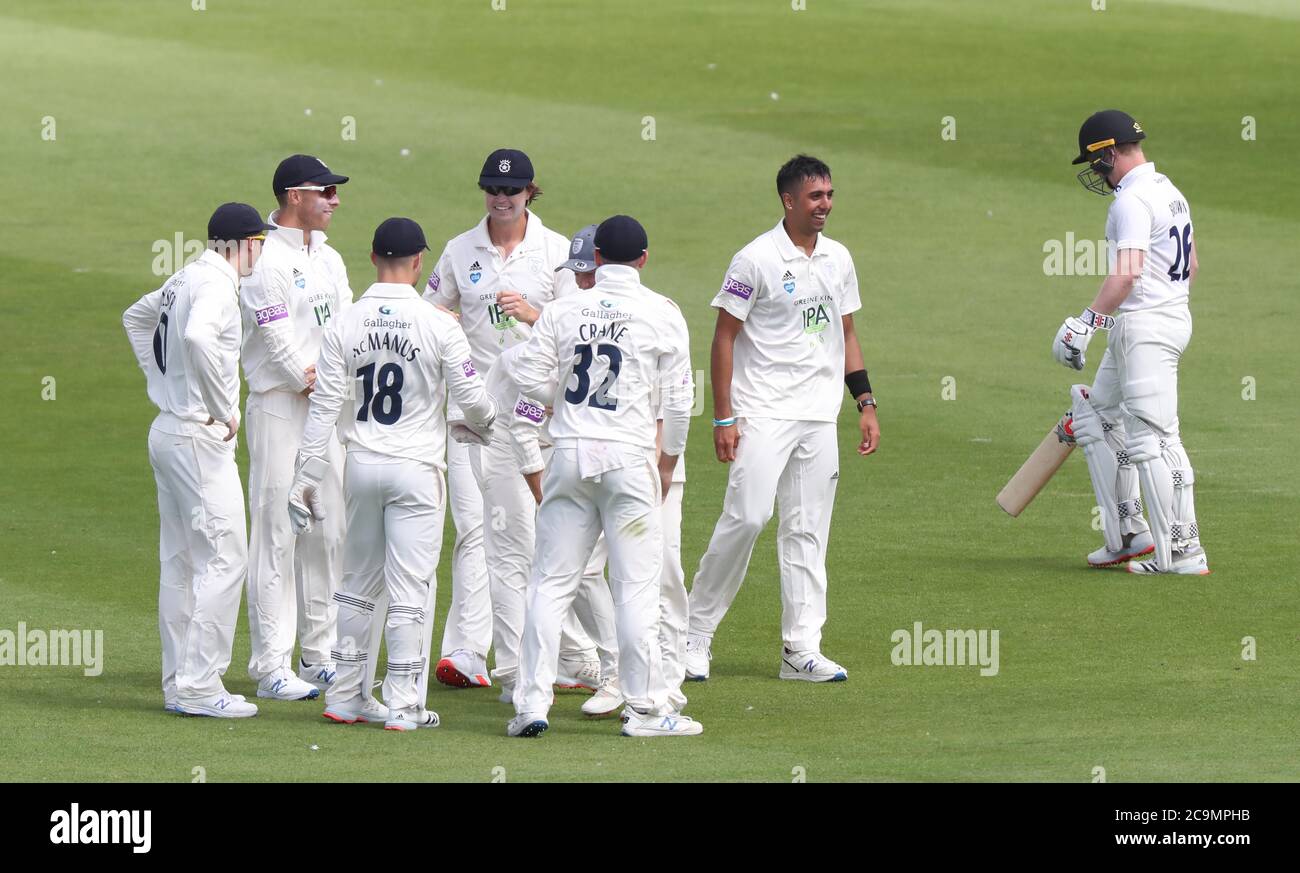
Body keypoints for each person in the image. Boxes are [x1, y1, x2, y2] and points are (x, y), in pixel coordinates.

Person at [289, 217, 497, 730]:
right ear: (419, 261)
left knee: (357, 584)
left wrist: (305, 474)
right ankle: (404, 703)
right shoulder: (439, 324)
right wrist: (490, 426)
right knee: (411, 587)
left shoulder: (345, 322)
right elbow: (472, 400)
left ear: (373, 258)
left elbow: (324, 408)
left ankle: (345, 696)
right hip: (417, 470)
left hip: (361, 466)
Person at [684, 155, 879, 684]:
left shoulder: (838, 258)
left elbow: (848, 334)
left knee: (808, 529)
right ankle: (693, 634)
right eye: (815, 197)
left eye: (830, 195)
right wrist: (724, 419)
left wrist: (865, 403)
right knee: (747, 518)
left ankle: (801, 647)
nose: (826, 206)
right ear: (788, 201)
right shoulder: (753, 260)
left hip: (819, 415)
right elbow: (723, 337)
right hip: (764, 410)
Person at [505, 215, 702, 738]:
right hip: (628, 457)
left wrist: (565, 395)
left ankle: (530, 704)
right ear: (643, 258)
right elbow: (680, 401)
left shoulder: (564, 309)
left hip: (569, 453)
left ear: (595, 260)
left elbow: (526, 377)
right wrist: (667, 462)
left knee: (550, 583)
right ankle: (645, 711)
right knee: (635, 589)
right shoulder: (662, 312)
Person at [423, 150, 604, 696]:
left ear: (530, 192)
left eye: (513, 192)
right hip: (472, 412)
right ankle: (472, 652)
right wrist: (447, 322)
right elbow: (429, 309)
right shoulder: (459, 250)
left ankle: (560, 654)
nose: (501, 200)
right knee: (479, 528)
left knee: (532, 538)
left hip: (541, 413)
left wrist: (533, 313)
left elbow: (582, 327)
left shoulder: (554, 252)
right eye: (493, 191)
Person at [123, 202, 272, 718]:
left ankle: (179, 682)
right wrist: (220, 407)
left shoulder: (185, 276)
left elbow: (136, 318)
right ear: (243, 244)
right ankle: (201, 686)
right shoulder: (216, 287)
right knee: (226, 558)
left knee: (183, 563)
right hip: (196, 436)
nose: (263, 250)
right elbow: (197, 337)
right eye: (260, 242)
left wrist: (160, 383)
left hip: (168, 430)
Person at [1054, 110, 1209, 576]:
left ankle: (1181, 552)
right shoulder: (1169, 191)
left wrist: (1086, 322)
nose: (1094, 170)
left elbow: (1127, 273)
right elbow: (1193, 265)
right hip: (1161, 319)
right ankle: (1128, 534)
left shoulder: (1132, 199)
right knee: (1097, 415)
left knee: (1153, 439)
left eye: (1095, 159)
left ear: (1108, 152)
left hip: (1146, 326)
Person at [241, 154, 355, 703]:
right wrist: (312, 380)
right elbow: (275, 337)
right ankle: (270, 664)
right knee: (277, 531)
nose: (335, 200)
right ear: (294, 196)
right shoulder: (265, 260)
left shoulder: (329, 259)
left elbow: (348, 326)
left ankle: (321, 652)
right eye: (326, 192)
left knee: (328, 529)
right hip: (279, 406)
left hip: (323, 409)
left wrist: (334, 384)